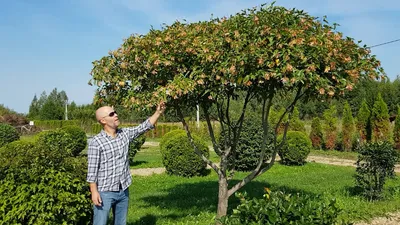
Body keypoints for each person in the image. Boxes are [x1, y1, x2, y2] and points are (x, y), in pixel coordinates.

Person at [86, 102, 166, 225]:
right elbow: (92, 170)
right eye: (112, 114)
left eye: (115, 112)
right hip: (104, 192)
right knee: (100, 223)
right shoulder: (96, 142)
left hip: (123, 190)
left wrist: (158, 113)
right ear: (103, 121)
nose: (116, 115)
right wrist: (94, 191)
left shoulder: (124, 134)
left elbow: (144, 126)